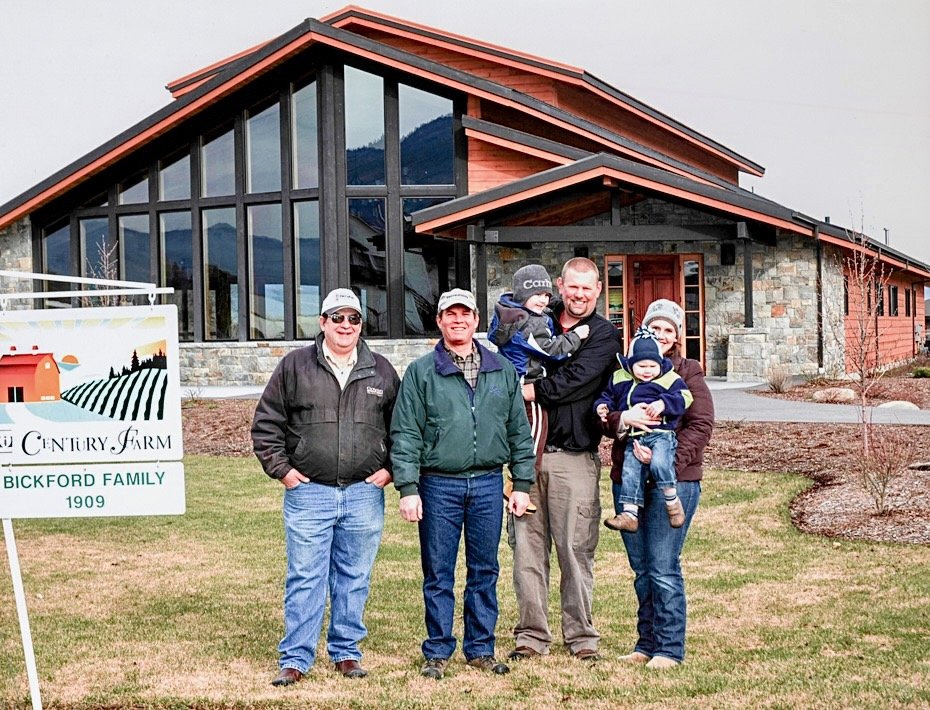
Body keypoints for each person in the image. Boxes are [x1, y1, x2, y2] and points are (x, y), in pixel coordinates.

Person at [251, 288, 400, 686]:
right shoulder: (295, 366)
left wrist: (390, 471)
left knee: (354, 576)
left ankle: (346, 652)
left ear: (360, 326)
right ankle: (296, 658)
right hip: (309, 492)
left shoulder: (381, 370)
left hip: (363, 493)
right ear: (322, 322)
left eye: (353, 319)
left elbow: (402, 429)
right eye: (338, 318)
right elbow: (266, 425)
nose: (346, 326)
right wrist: (282, 470)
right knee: (305, 576)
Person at [390, 288, 536, 680]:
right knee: (438, 572)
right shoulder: (422, 372)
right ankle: (437, 651)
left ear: (475, 320)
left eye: (465, 314)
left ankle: (480, 648)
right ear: (439, 321)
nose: (458, 321)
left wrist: (521, 483)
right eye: (449, 315)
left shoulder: (500, 369)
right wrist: (408, 488)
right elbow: (405, 433)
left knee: (485, 570)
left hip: (488, 485)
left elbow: (519, 432)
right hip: (438, 486)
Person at [509, 257, 621, 662]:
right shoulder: (537, 315)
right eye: (572, 287)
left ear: (598, 290)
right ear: (560, 284)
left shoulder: (605, 336)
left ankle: (581, 637)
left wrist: (531, 391)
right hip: (526, 456)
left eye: (587, 288)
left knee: (575, 552)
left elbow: (576, 382)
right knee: (527, 552)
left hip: (574, 457)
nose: (578, 295)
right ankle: (531, 637)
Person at [603, 298, 714, 670]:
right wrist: (620, 417)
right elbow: (605, 420)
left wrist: (664, 463)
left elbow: (700, 426)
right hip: (628, 483)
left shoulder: (688, 374)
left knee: (663, 565)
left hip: (674, 482)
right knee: (641, 568)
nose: (662, 335)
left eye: (669, 329)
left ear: (678, 336)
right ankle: (645, 643)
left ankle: (669, 647)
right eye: (655, 328)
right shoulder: (625, 373)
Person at [489, 263, 590, 474]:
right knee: (536, 428)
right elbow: (550, 350)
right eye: (537, 294)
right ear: (523, 295)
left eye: (546, 294)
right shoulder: (529, 323)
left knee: (516, 429)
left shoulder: (512, 315)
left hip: (510, 380)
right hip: (527, 381)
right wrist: (575, 336)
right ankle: (526, 475)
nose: (543, 300)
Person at [594, 327, 692, 532]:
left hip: (661, 435)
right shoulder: (620, 378)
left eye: (652, 365)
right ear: (630, 364)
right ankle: (629, 514)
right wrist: (602, 407)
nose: (647, 370)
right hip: (633, 438)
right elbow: (608, 396)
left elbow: (685, 397)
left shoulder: (668, 378)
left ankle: (672, 501)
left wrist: (663, 404)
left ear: (660, 364)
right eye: (641, 365)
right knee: (630, 471)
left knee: (659, 463)